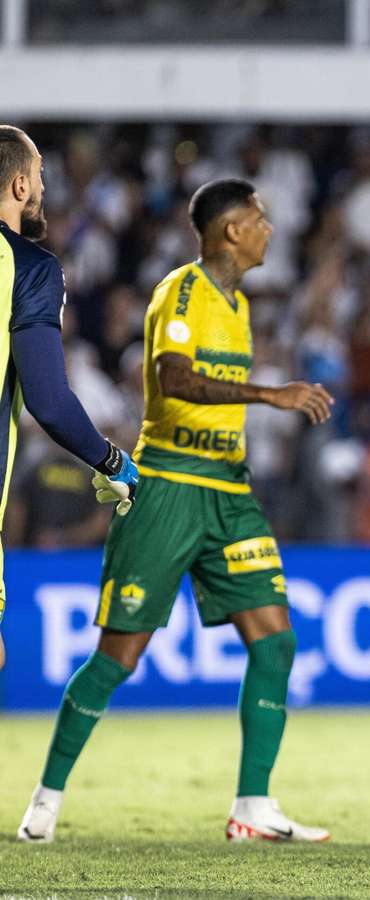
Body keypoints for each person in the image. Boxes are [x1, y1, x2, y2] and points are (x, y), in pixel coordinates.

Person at [18, 178, 335, 844]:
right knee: (119, 657)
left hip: (229, 492)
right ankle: (45, 799)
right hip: (167, 488)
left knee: (276, 642)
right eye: (259, 220)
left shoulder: (239, 305)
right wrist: (272, 395)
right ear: (230, 230)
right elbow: (177, 379)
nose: (269, 231)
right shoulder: (181, 290)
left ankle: (253, 806)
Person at [0, 126, 138, 671]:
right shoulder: (30, 269)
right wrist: (112, 461)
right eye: (37, 178)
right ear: (17, 185)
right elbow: (49, 401)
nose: (41, 191)